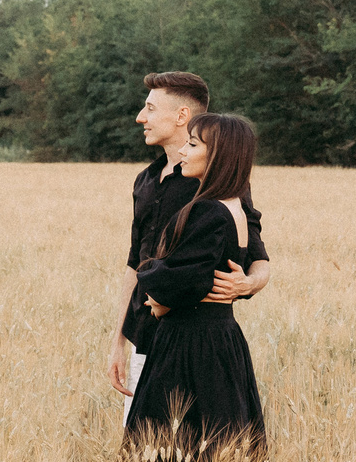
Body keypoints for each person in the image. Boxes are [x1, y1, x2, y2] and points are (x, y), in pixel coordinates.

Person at [109, 110, 269, 462]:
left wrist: (153, 278)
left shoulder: (210, 209)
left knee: (166, 446)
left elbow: (189, 278)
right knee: (214, 439)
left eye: (194, 145)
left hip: (190, 342)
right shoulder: (225, 206)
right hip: (216, 336)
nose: (185, 149)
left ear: (218, 156)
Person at [108, 72, 267, 400]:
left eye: (150, 109)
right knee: (148, 445)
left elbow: (255, 253)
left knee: (187, 443)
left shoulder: (215, 186)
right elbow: (134, 263)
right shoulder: (146, 180)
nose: (141, 117)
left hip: (189, 337)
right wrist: (117, 342)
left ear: (181, 115)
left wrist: (251, 283)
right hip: (143, 334)